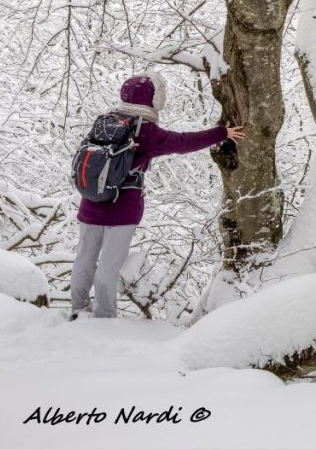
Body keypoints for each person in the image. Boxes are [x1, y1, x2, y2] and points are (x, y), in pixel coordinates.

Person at [69, 71, 244, 320]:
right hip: (123, 208)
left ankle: (78, 309)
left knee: (84, 259)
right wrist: (222, 133)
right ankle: (103, 319)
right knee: (108, 265)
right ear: (152, 100)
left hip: (91, 201)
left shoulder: (105, 121)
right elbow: (184, 142)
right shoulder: (146, 130)